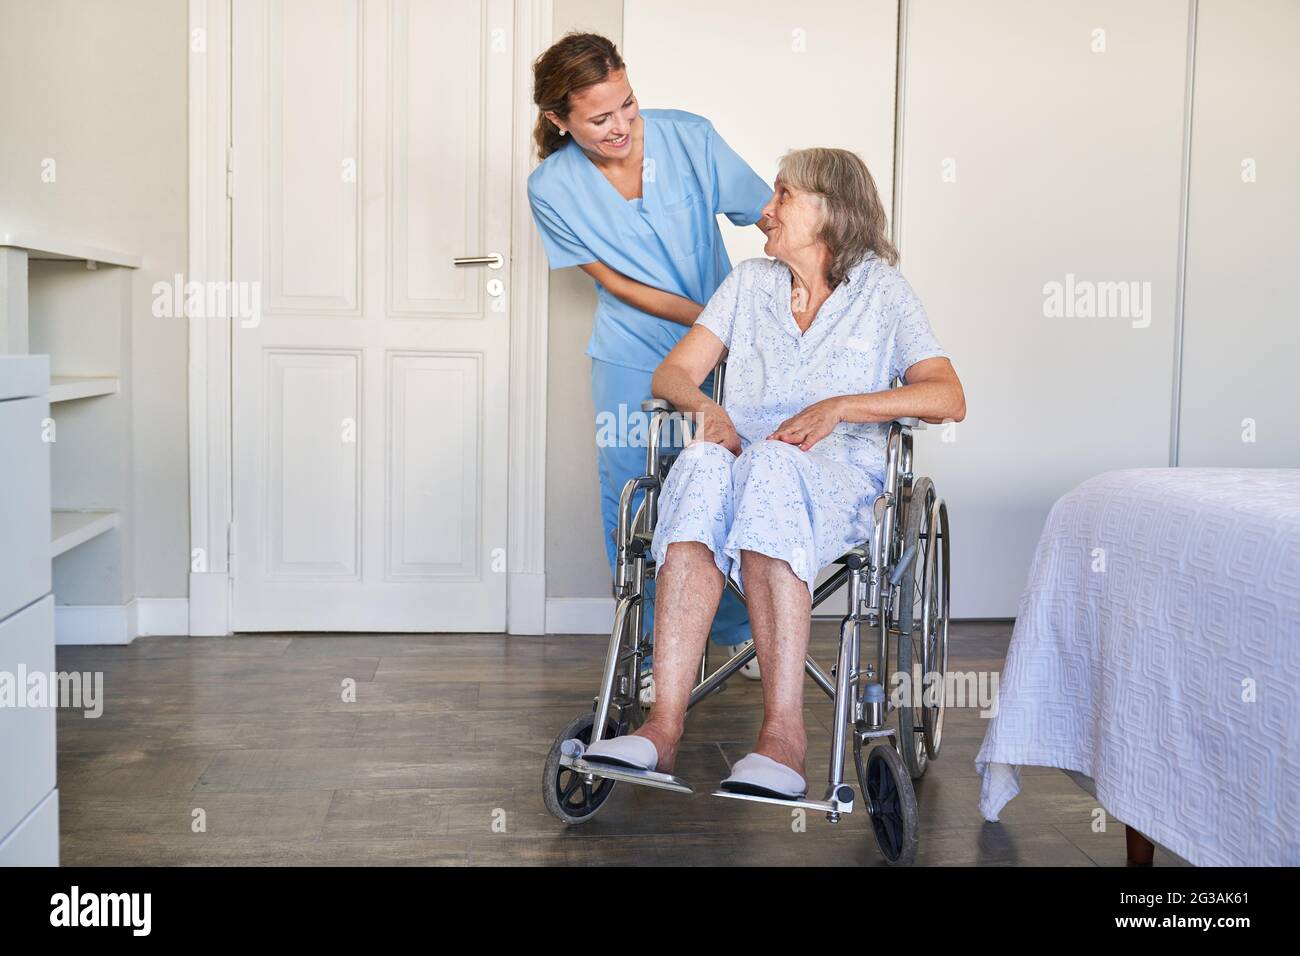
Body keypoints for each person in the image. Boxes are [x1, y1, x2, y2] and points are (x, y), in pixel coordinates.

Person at [581, 148, 967, 797]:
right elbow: (673, 373)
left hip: (835, 484)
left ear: (831, 210)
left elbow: (947, 396)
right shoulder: (750, 283)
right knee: (703, 462)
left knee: (771, 467)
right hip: (745, 468)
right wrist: (708, 409)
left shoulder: (883, 294)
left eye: (783, 195)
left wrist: (843, 406)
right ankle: (661, 726)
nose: (764, 211)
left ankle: (784, 737)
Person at [526, 33, 771, 692]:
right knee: (636, 500)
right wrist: (712, 318)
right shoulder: (551, 186)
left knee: (723, 481)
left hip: (723, 356)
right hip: (632, 353)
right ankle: (650, 648)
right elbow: (618, 283)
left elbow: (772, 214)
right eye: (599, 118)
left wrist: (808, 294)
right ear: (560, 121)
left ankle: (731, 630)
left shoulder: (689, 138)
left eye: (628, 106)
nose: (621, 127)